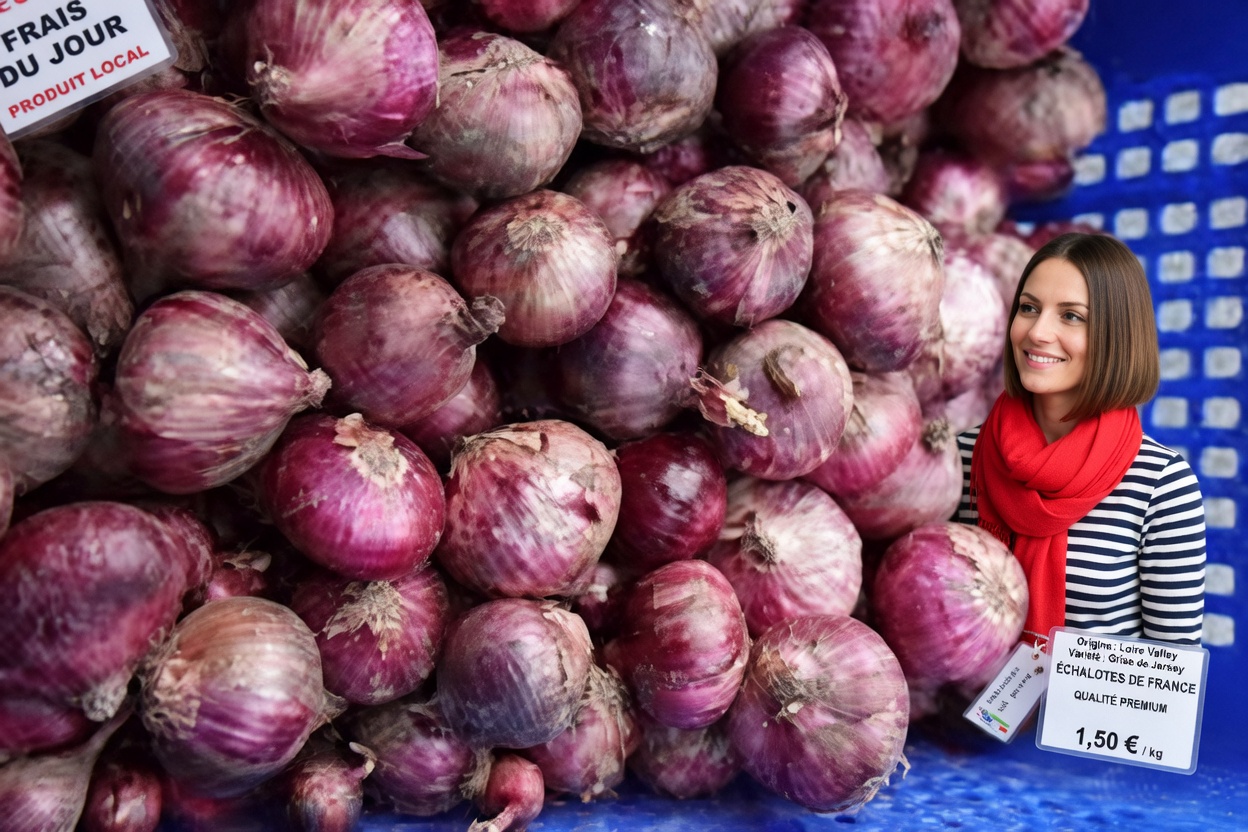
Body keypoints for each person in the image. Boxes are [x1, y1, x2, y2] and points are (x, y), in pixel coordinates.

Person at [955, 231, 1206, 646]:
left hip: (1102, 711)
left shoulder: (1160, 483)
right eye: (1029, 308)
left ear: (1117, 336)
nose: (1037, 332)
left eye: (1071, 316)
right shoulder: (961, 459)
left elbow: (1172, 674)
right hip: (964, 709)